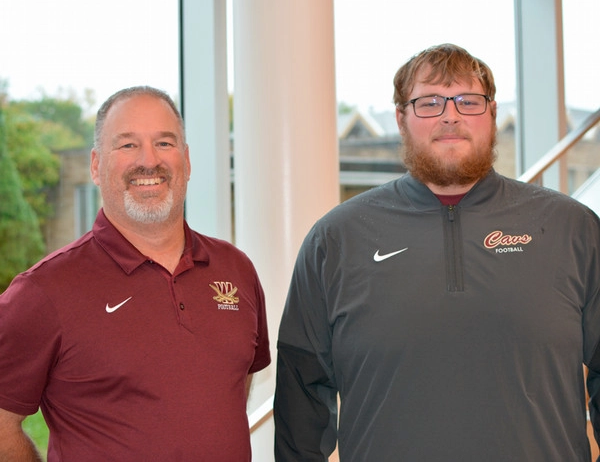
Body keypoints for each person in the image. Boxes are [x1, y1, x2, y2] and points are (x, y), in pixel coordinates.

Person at [274, 43, 600, 461]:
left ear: (492, 116)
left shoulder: (573, 229)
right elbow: (301, 400)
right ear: (400, 119)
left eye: (468, 101)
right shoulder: (335, 240)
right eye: (429, 102)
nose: (450, 115)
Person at [0, 86, 270, 461]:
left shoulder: (236, 270)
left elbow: (232, 382)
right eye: (127, 145)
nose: (149, 160)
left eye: (164, 143)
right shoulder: (43, 290)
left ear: (187, 162)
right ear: (96, 166)